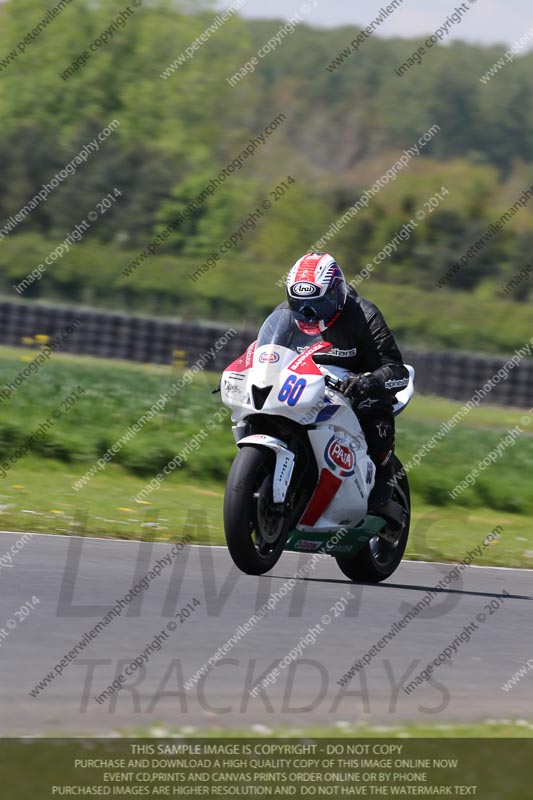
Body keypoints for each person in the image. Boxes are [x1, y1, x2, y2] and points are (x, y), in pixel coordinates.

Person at [282, 251, 409, 513]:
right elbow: (269, 350)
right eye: (300, 304)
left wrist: (370, 382)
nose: (309, 313)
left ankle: (384, 477)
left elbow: (397, 370)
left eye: (319, 303)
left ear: (336, 293)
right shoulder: (286, 315)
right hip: (306, 387)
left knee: (371, 401)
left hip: (355, 387)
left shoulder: (364, 314)